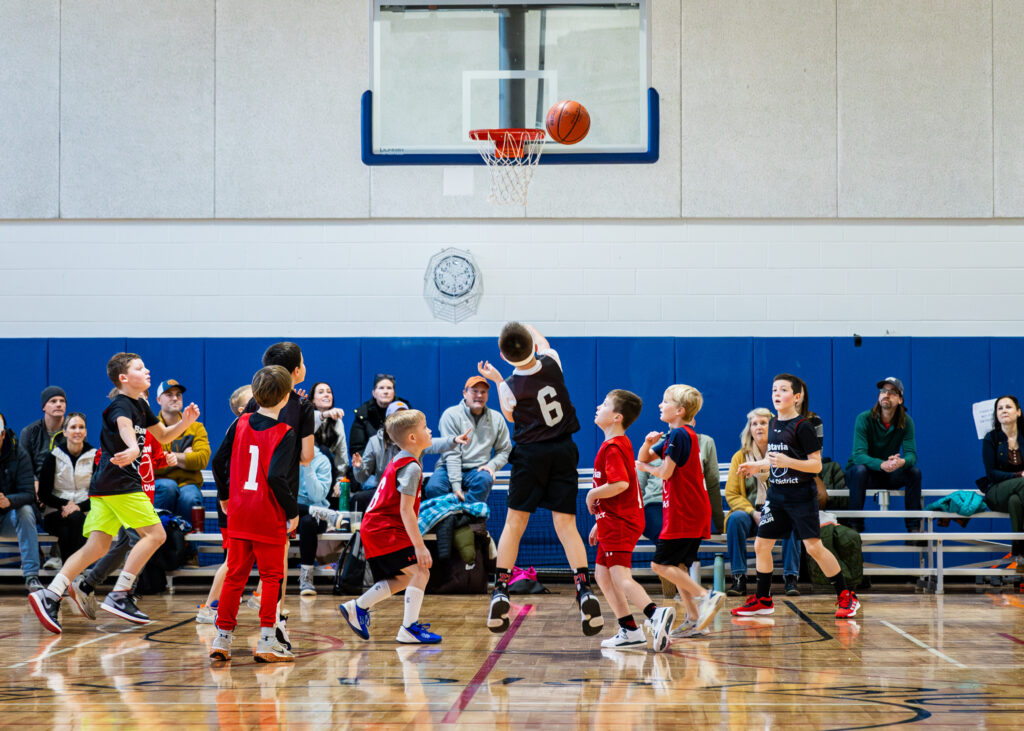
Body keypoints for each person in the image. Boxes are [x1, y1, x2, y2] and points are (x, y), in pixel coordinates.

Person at [28, 353, 200, 633]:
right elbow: (123, 426)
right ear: (123, 378)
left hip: (105, 487)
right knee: (156, 535)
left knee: (97, 546)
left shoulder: (141, 406)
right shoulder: (121, 404)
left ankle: (50, 594)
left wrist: (186, 422)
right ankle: (121, 593)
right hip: (121, 483)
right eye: (139, 368)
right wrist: (132, 447)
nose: (147, 370)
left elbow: (165, 436)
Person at [477, 322, 602, 636]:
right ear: (532, 346)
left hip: (530, 455)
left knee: (514, 524)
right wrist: (526, 326)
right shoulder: (552, 361)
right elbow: (543, 342)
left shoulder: (509, 387)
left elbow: (510, 415)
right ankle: (583, 588)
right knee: (566, 525)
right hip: (563, 450)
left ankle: (501, 589)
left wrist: (496, 379)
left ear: (504, 357)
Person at [732, 373, 861, 619]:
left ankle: (846, 595)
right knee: (762, 545)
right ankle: (763, 599)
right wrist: (757, 466)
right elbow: (774, 461)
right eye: (773, 390)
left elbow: (815, 466)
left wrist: (787, 461)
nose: (777, 394)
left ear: (797, 397)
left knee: (813, 547)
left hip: (801, 496)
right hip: (777, 496)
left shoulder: (804, 427)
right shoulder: (773, 425)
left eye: (783, 390)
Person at [339, 408, 466, 644]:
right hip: (384, 529)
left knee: (404, 578)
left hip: (377, 527)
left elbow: (433, 444)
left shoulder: (403, 457)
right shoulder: (412, 467)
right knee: (420, 571)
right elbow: (405, 511)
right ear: (412, 438)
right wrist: (419, 546)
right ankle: (409, 628)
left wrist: (452, 440)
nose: (430, 430)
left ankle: (358, 607)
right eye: (425, 427)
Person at [208, 365, 299, 663]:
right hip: (267, 514)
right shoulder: (285, 432)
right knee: (273, 578)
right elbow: (276, 477)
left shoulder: (240, 423)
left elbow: (217, 462)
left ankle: (222, 639)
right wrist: (292, 511)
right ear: (286, 397)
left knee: (234, 576)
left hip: (239, 512)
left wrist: (224, 496)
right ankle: (267, 641)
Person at [587, 389, 675, 652]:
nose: (597, 406)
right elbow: (626, 487)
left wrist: (592, 495)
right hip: (613, 519)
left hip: (620, 522)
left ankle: (655, 614)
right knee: (602, 575)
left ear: (616, 416)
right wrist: (599, 520)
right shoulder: (620, 443)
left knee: (620, 576)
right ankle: (629, 630)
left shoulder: (613, 447)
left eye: (603, 404)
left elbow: (621, 484)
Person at [636, 385, 725, 637]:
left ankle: (706, 596)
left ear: (680, 410)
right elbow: (644, 456)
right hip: (689, 510)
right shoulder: (675, 435)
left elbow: (663, 472)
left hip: (683, 512)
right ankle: (693, 618)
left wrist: (646, 468)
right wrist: (647, 444)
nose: (660, 405)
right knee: (679, 566)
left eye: (665, 402)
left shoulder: (679, 436)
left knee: (659, 565)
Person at [241, 342, 315, 646]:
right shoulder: (303, 405)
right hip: (281, 492)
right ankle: (275, 622)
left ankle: (224, 631)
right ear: (297, 371)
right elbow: (308, 456)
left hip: (246, 493)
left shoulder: (252, 403)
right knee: (277, 564)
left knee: (239, 565)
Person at [73, 426, 173, 619]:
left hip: (143, 497)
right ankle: (124, 593)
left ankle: (87, 585)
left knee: (124, 545)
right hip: (127, 497)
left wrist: (167, 459)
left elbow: (155, 459)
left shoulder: (150, 433)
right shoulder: (119, 432)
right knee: (140, 541)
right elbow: (100, 458)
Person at [724, 408, 802, 598]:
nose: (758, 427)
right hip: (752, 514)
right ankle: (739, 578)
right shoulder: (740, 457)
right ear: (749, 429)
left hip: (778, 511)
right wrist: (753, 513)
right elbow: (732, 493)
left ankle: (791, 579)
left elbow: (793, 487)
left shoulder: (783, 455)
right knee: (735, 519)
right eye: (754, 424)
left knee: (793, 521)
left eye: (763, 423)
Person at [195, 386, 251, 624]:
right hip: (232, 502)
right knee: (233, 560)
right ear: (241, 410)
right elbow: (218, 462)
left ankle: (231, 601)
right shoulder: (238, 427)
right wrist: (225, 495)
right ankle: (208, 607)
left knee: (242, 560)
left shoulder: (253, 427)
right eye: (253, 400)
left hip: (242, 501)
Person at [844, 377, 922, 534]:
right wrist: (881, 464)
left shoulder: (906, 421)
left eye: (892, 392)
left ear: (900, 399)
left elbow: (912, 455)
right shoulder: (864, 418)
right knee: (859, 470)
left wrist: (901, 462)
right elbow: (858, 456)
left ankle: (914, 528)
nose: (886, 395)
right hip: (864, 475)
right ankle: (854, 527)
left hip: (888, 474)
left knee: (914, 472)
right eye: (883, 391)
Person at [423, 376, 512, 505]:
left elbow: (505, 450)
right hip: (447, 468)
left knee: (485, 479)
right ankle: (446, 519)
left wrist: (491, 466)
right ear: (464, 393)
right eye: (474, 391)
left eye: (483, 392)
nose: (479, 395)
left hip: (477, 469)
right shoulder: (451, 415)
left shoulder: (497, 418)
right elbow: (452, 453)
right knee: (433, 488)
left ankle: (468, 516)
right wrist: (456, 486)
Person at [37, 412, 95, 573]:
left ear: (86, 431)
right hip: (55, 513)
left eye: (81, 427)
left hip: (86, 511)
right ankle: (75, 573)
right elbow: (43, 494)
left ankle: (66, 574)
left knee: (74, 523)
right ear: (65, 432)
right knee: (71, 524)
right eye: (73, 427)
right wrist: (66, 504)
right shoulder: (53, 457)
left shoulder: (95, 456)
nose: (77, 431)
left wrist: (79, 506)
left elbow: (100, 492)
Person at [153, 379, 211, 523]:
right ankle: (158, 542)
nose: (175, 398)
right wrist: (184, 456)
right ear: (159, 400)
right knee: (168, 487)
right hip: (160, 484)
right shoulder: (151, 427)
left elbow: (201, 460)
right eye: (169, 394)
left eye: (178, 394)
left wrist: (169, 458)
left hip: (188, 484)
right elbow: (151, 463)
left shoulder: (196, 427)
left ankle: (187, 545)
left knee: (189, 497)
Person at [979, 395, 1024, 570]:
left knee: (1016, 501)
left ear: (1019, 412)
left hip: (1017, 494)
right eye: (1000, 408)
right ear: (996, 415)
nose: (1004, 410)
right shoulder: (991, 438)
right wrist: (1018, 476)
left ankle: (1019, 553)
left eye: (1009, 407)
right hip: (996, 492)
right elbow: (991, 473)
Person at [0, 412, 43, 593]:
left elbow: (29, 494)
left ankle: (31, 576)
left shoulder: (19, 454)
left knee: (25, 511)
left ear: (3, 435)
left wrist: (8, 501)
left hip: (9, 517)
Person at [296, 447, 334, 595]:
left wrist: (307, 466)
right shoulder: (287, 457)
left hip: (316, 516)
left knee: (308, 522)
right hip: (290, 511)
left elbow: (317, 496)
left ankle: (306, 578)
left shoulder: (322, 461)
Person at [349, 373, 407, 464]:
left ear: (394, 393)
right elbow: (357, 448)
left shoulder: (405, 411)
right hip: (371, 467)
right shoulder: (363, 414)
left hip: (399, 463)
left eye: (389, 388)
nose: (385, 391)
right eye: (381, 388)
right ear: (374, 393)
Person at [310, 381, 349, 506]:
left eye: (329, 392)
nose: (326, 395)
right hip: (305, 467)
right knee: (324, 450)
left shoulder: (337, 422)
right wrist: (323, 415)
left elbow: (341, 454)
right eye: (321, 392)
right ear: (313, 401)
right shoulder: (305, 416)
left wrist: (339, 481)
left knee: (342, 488)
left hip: (327, 470)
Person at [20, 386, 68, 478]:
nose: (59, 404)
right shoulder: (29, 432)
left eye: (62, 401)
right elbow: (24, 466)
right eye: (53, 401)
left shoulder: (73, 429)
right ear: (44, 407)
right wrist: (33, 481)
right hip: (38, 485)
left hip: (66, 485)